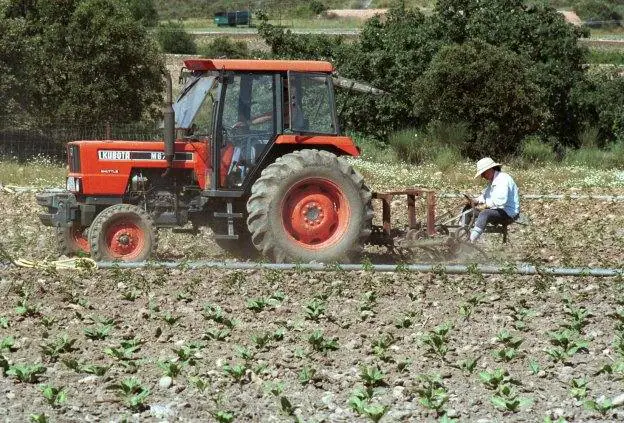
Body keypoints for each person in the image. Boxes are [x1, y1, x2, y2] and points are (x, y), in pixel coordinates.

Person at [467, 157, 520, 242]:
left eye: (483, 173)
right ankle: (460, 236)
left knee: (485, 214)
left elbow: (501, 201)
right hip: (497, 210)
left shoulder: (503, 179)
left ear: (490, 169)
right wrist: (474, 200)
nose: (482, 176)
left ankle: (470, 241)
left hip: (508, 212)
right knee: (468, 211)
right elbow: (485, 196)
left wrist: (485, 205)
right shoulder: (493, 181)